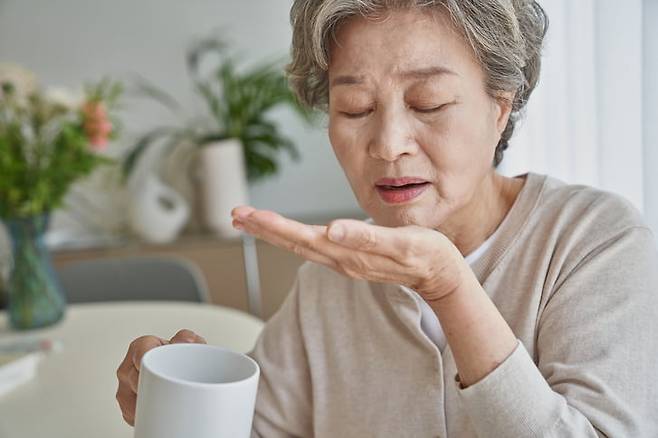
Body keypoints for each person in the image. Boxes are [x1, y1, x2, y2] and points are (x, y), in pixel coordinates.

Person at [116, 1, 658, 436]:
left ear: (500, 106)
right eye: (354, 109)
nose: (388, 144)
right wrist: (186, 404)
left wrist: (449, 286)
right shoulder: (329, 282)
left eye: (428, 102)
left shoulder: (596, 242)